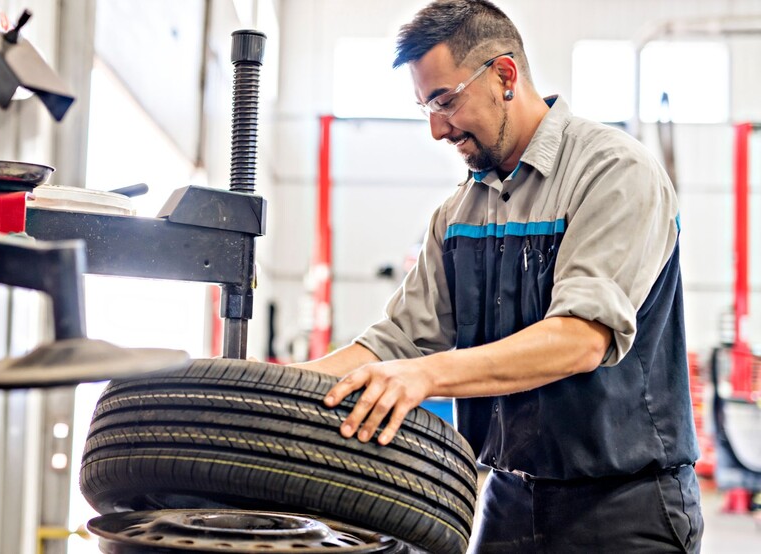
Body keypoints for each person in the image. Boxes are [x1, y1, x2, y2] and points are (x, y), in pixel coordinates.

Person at [295, 0, 703, 551]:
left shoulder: (613, 172)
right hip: (507, 498)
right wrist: (279, 390)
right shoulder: (457, 215)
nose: (438, 129)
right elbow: (397, 341)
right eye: (425, 108)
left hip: (625, 505)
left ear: (504, 75)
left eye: (445, 100)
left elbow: (579, 338)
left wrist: (427, 376)